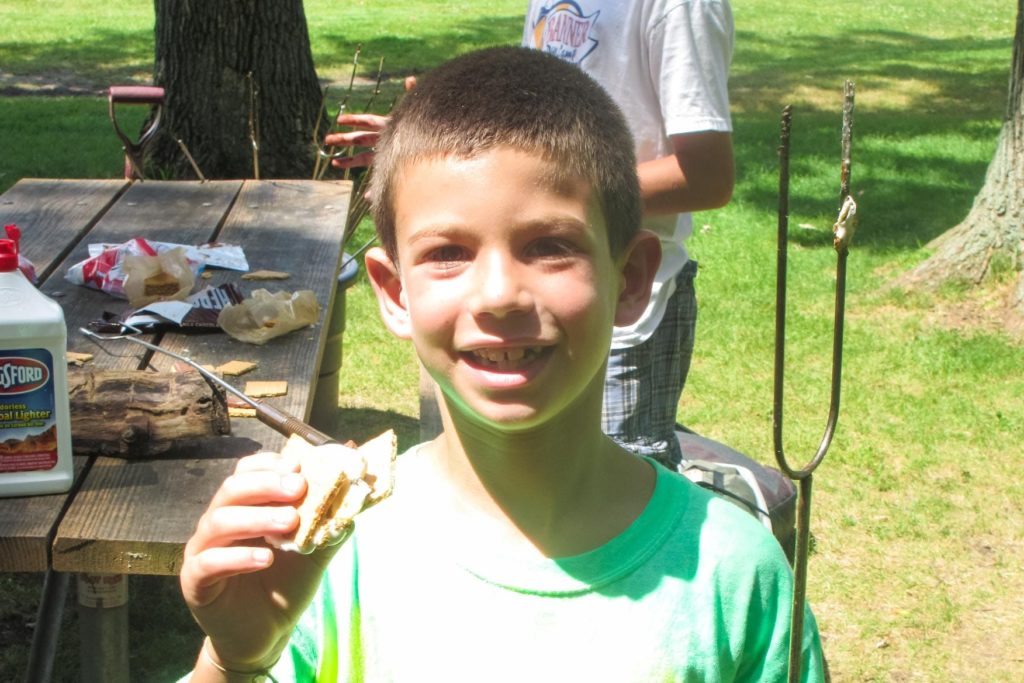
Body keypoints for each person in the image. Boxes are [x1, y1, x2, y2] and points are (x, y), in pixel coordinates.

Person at [180, 47, 823, 682]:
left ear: (630, 278)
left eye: (549, 246)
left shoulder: (736, 577)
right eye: (448, 253)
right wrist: (236, 659)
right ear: (395, 292)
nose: (497, 295)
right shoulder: (326, 559)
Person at [327, 2, 734, 471]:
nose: (498, 295)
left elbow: (708, 173)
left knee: (612, 482)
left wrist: (570, 191)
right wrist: (440, 158)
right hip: (564, 303)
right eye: (446, 252)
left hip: (617, 318)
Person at [522, 0, 735, 469]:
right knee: (539, 479)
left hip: (624, 305)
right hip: (536, 289)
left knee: (618, 487)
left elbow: (707, 175)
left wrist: (553, 194)